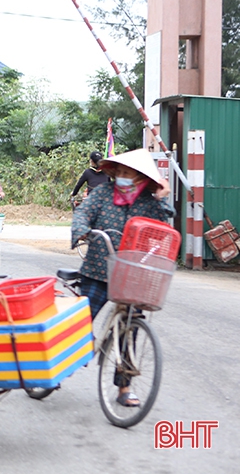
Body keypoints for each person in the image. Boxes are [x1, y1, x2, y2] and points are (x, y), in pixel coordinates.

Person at [71, 149, 173, 408]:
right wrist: (82, 231)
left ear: (141, 178)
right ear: (114, 173)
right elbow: (83, 213)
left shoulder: (150, 202)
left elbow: (164, 228)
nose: (124, 177)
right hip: (97, 269)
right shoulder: (102, 193)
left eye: (130, 174)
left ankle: (124, 387)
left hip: (133, 275)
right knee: (80, 320)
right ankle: (56, 369)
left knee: (130, 332)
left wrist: (163, 198)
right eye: (121, 172)